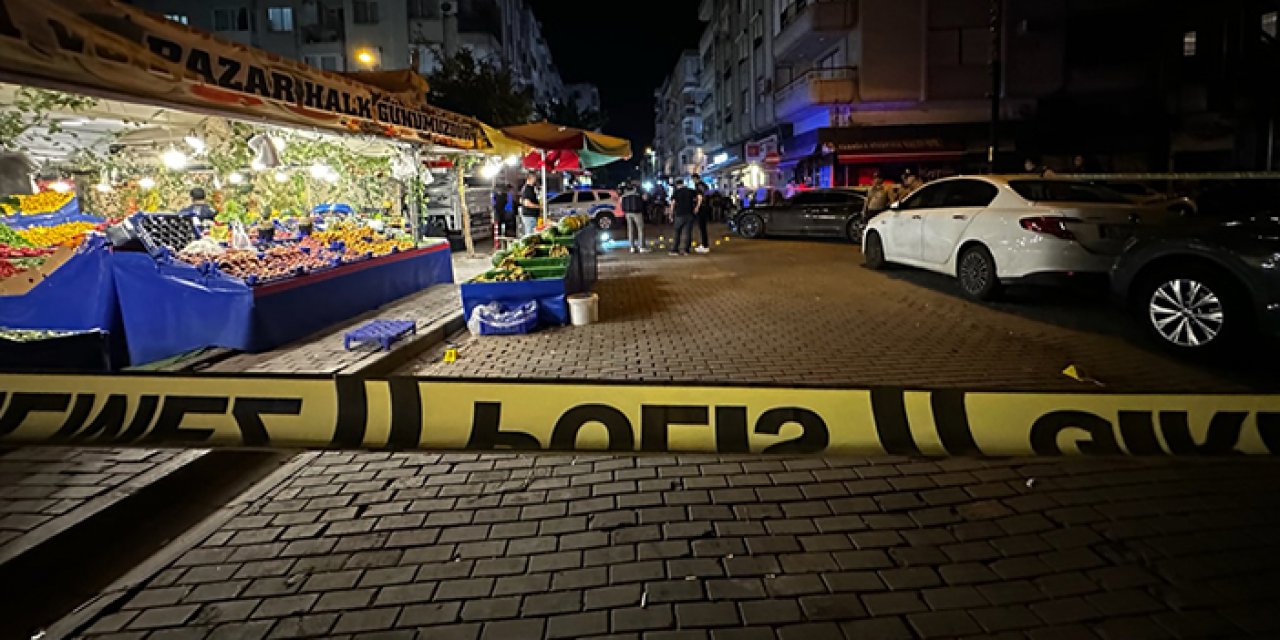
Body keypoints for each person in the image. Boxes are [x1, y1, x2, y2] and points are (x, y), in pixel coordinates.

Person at [667, 178, 701, 256]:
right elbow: (699, 197)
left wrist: (670, 214)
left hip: (679, 214)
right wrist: (697, 207)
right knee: (688, 233)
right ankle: (686, 250)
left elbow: (672, 204)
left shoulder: (676, 192)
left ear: (677, 185)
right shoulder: (690, 191)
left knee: (677, 232)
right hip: (689, 214)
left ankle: (675, 250)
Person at [621, 181, 649, 253]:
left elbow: (620, 200)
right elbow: (645, 198)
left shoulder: (624, 190)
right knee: (641, 229)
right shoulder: (639, 189)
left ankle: (632, 247)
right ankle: (642, 247)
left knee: (630, 230)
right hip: (637, 212)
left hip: (627, 212)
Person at [691, 173, 712, 253]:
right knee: (703, 227)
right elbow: (707, 195)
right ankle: (704, 244)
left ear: (695, 179)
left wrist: (697, 207)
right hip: (706, 207)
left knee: (702, 227)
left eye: (693, 180)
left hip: (702, 208)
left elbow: (700, 197)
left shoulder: (698, 186)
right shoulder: (705, 185)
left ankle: (705, 245)